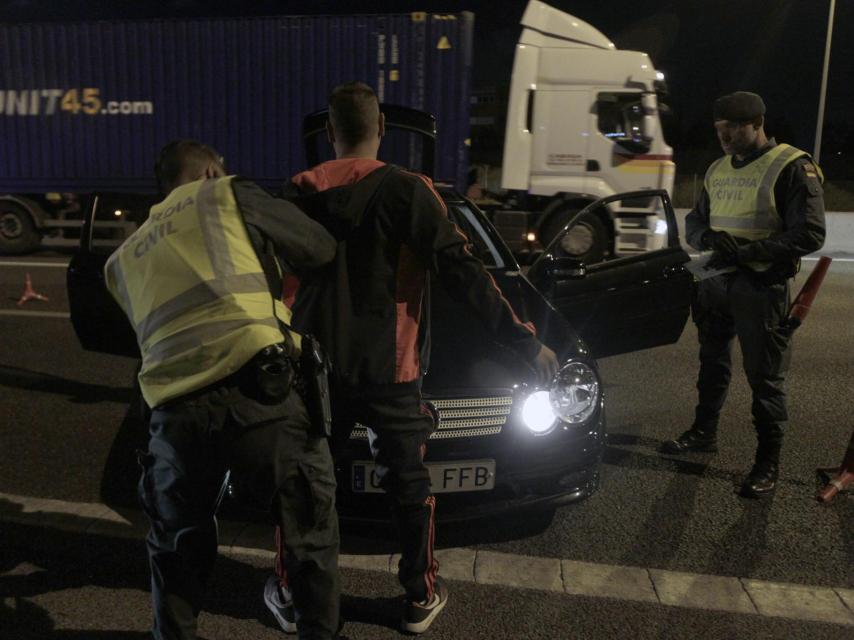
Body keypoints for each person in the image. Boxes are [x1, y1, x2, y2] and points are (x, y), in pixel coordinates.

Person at [272, 82, 559, 634]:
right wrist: (524, 342)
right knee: (408, 486)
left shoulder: (297, 191)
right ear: (380, 128)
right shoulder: (408, 190)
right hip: (391, 370)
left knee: (305, 483)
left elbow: (275, 281)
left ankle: (292, 591)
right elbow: (464, 272)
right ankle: (418, 595)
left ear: (330, 133)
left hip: (313, 372)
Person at [103, 140, 341, 639]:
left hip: (173, 417)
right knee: (308, 533)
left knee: (176, 546)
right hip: (259, 392)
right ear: (211, 170)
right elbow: (319, 248)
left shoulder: (121, 259)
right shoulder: (225, 194)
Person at [661, 92, 826, 498]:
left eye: (734, 128)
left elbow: (809, 233)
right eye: (720, 129)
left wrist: (749, 253)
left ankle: (767, 463)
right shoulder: (717, 169)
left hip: (759, 286)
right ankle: (704, 432)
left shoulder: (792, 165)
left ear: (757, 124)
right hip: (716, 281)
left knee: (765, 378)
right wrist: (708, 237)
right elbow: (695, 220)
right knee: (711, 363)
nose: (725, 136)